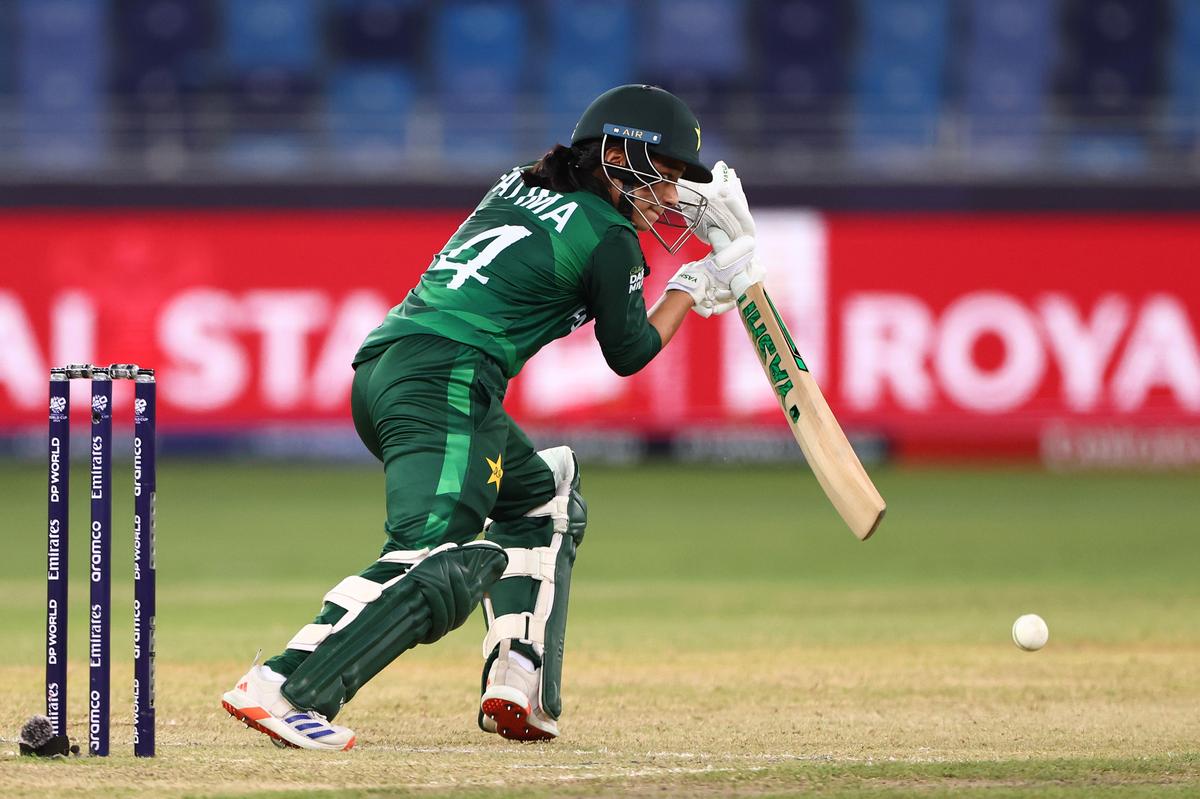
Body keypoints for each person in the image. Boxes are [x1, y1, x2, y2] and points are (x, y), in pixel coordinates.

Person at [220, 84, 761, 750]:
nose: (672, 200)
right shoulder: (612, 239)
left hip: (395, 368)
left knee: (543, 496)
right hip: (444, 379)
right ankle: (279, 684)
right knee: (432, 553)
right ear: (617, 154)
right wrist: (691, 287)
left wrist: (682, 271)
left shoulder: (517, 182)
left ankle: (516, 677)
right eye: (666, 175)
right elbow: (629, 352)